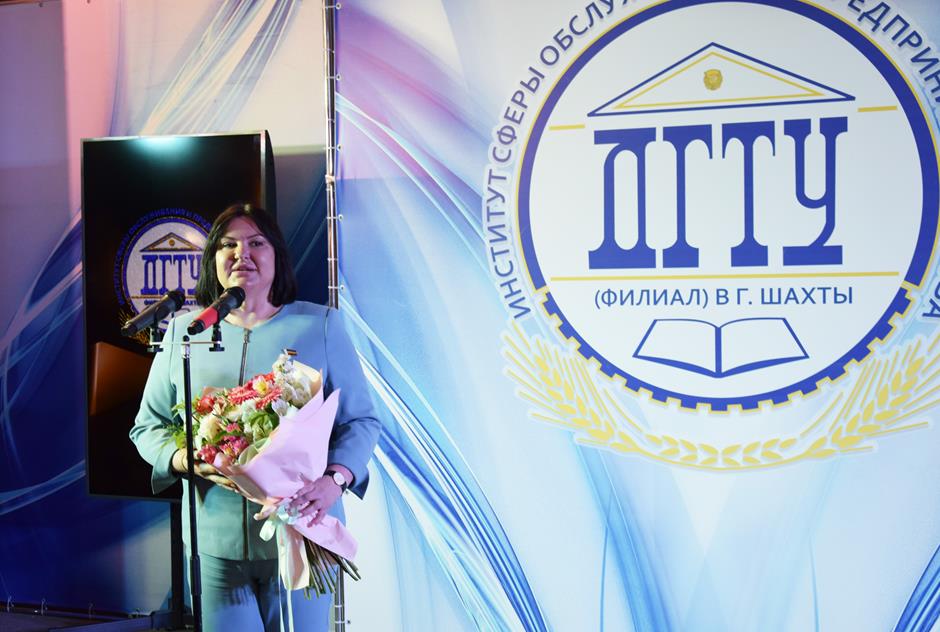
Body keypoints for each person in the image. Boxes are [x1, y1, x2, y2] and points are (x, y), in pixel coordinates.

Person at [130, 203, 380, 631]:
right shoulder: (186, 333)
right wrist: (184, 459)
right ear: (212, 260)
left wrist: (333, 481)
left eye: (256, 243)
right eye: (227, 245)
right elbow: (147, 426)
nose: (240, 254)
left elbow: (362, 421)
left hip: (303, 530)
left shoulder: (320, 325)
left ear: (276, 255)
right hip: (214, 542)